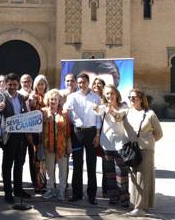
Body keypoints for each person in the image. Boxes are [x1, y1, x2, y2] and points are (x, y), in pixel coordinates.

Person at [63, 72, 101, 205]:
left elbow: (98, 118)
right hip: (77, 133)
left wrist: (97, 135)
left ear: (88, 82)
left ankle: (92, 195)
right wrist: (66, 109)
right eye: (79, 83)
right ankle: (77, 193)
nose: (81, 85)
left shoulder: (95, 98)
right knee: (77, 164)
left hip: (91, 133)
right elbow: (65, 108)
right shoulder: (72, 96)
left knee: (92, 164)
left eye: (83, 82)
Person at [125, 88, 163, 216]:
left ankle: (140, 208)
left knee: (143, 177)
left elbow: (159, 133)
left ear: (141, 99)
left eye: (134, 97)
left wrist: (148, 141)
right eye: (130, 97)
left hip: (146, 149)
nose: (132, 99)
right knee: (135, 178)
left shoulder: (150, 114)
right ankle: (138, 204)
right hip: (132, 149)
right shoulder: (127, 112)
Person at [0, 73, 30, 204]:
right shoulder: (2, 97)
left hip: (21, 136)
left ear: (18, 85)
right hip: (9, 136)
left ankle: (18, 189)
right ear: (6, 84)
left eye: (15, 85)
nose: (12, 87)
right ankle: (8, 191)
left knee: (19, 163)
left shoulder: (22, 98)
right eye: (10, 84)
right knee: (7, 165)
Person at [100, 84, 130, 208]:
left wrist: (111, 110)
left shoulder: (124, 106)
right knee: (110, 174)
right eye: (107, 94)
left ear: (116, 94)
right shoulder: (103, 107)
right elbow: (94, 112)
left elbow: (119, 117)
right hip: (106, 144)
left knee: (121, 173)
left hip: (121, 144)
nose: (109, 96)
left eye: (111, 93)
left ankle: (124, 199)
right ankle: (113, 197)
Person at [41, 89, 71, 201]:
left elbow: (68, 131)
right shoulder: (43, 112)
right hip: (48, 145)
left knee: (63, 170)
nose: (53, 101)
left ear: (59, 101)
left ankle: (61, 191)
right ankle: (50, 190)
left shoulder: (64, 114)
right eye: (51, 99)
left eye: (55, 99)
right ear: (48, 100)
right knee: (49, 169)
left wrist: (69, 145)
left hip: (62, 145)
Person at [30, 75, 49, 192]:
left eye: (43, 84)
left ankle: (45, 183)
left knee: (45, 159)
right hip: (36, 133)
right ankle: (38, 184)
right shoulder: (33, 97)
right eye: (39, 84)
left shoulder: (49, 97)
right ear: (35, 86)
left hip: (47, 133)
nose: (41, 86)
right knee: (36, 158)